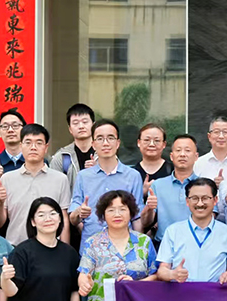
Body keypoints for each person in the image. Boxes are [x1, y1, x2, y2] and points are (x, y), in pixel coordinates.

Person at [68, 119, 144, 251]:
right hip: (91, 250)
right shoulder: (83, 176)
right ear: (93, 144)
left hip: (124, 249)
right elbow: (73, 219)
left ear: (118, 143)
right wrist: (79, 212)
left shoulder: (133, 176)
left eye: (110, 138)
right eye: (100, 138)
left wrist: (140, 249)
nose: (106, 143)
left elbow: (137, 217)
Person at [0, 124, 71, 248]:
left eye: (39, 143)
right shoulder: (7, 179)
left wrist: (65, 250)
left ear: (46, 148)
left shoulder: (60, 179)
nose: (33, 147)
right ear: (21, 146)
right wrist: (0, 203)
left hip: (51, 248)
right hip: (15, 247)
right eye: (28, 143)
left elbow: (64, 219)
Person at [145, 134, 199, 245]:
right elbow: (146, 223)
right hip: (164, 244)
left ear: (196, 156)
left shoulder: (204, 186)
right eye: (178, 150)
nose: (182, 154)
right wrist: (149, 209)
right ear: (171, 156)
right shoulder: (158, 185)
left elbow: (210, 217)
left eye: (187, 150)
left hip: (196, 243)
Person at [50, 103, 97, 194]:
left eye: (85, 122)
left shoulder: (104, 154)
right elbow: (54, 190)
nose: (81, 126)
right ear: (70, 129)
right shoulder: (61, 157)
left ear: (94, 125)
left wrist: (99, 170)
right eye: (75, 123)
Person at [196, 116, 227, 185]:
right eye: (216, 132)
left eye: (225, 132)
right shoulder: (198, 164)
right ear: (209, 136)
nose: (221, 136)